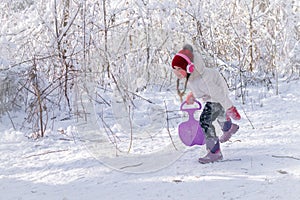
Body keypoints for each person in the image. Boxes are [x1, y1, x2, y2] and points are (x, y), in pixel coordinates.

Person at [171, 44, 241, 164]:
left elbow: (219, 94)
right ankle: (229, 127)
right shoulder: (192, 77)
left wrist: (230, 108)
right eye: (174, 68)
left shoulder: (204, 80)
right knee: (219, 115)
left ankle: (215, 152)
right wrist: (192, 95)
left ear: (190, 68)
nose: (176, 72)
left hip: (216, 97)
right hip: (211, 96)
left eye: (179, 69)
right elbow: (196, 87)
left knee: (205, 120)